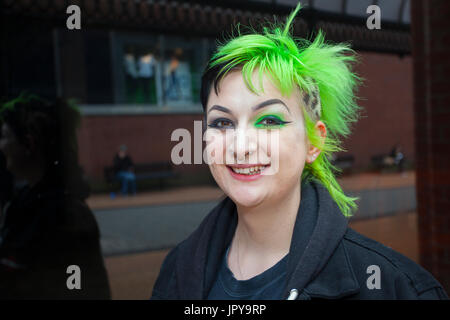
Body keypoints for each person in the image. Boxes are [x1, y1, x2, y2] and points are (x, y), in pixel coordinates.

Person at [151, 5, 448, 300]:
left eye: (269, 120)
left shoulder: (399, 289)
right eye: (222, 122)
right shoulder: (176, 271)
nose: (240, 146)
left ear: (314, 141)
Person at [0, 94, 111, 299]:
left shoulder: (67, 216)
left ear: (29, 143)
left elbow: (78, 289)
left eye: (5, 136)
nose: (1, 145)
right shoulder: (21, 204)